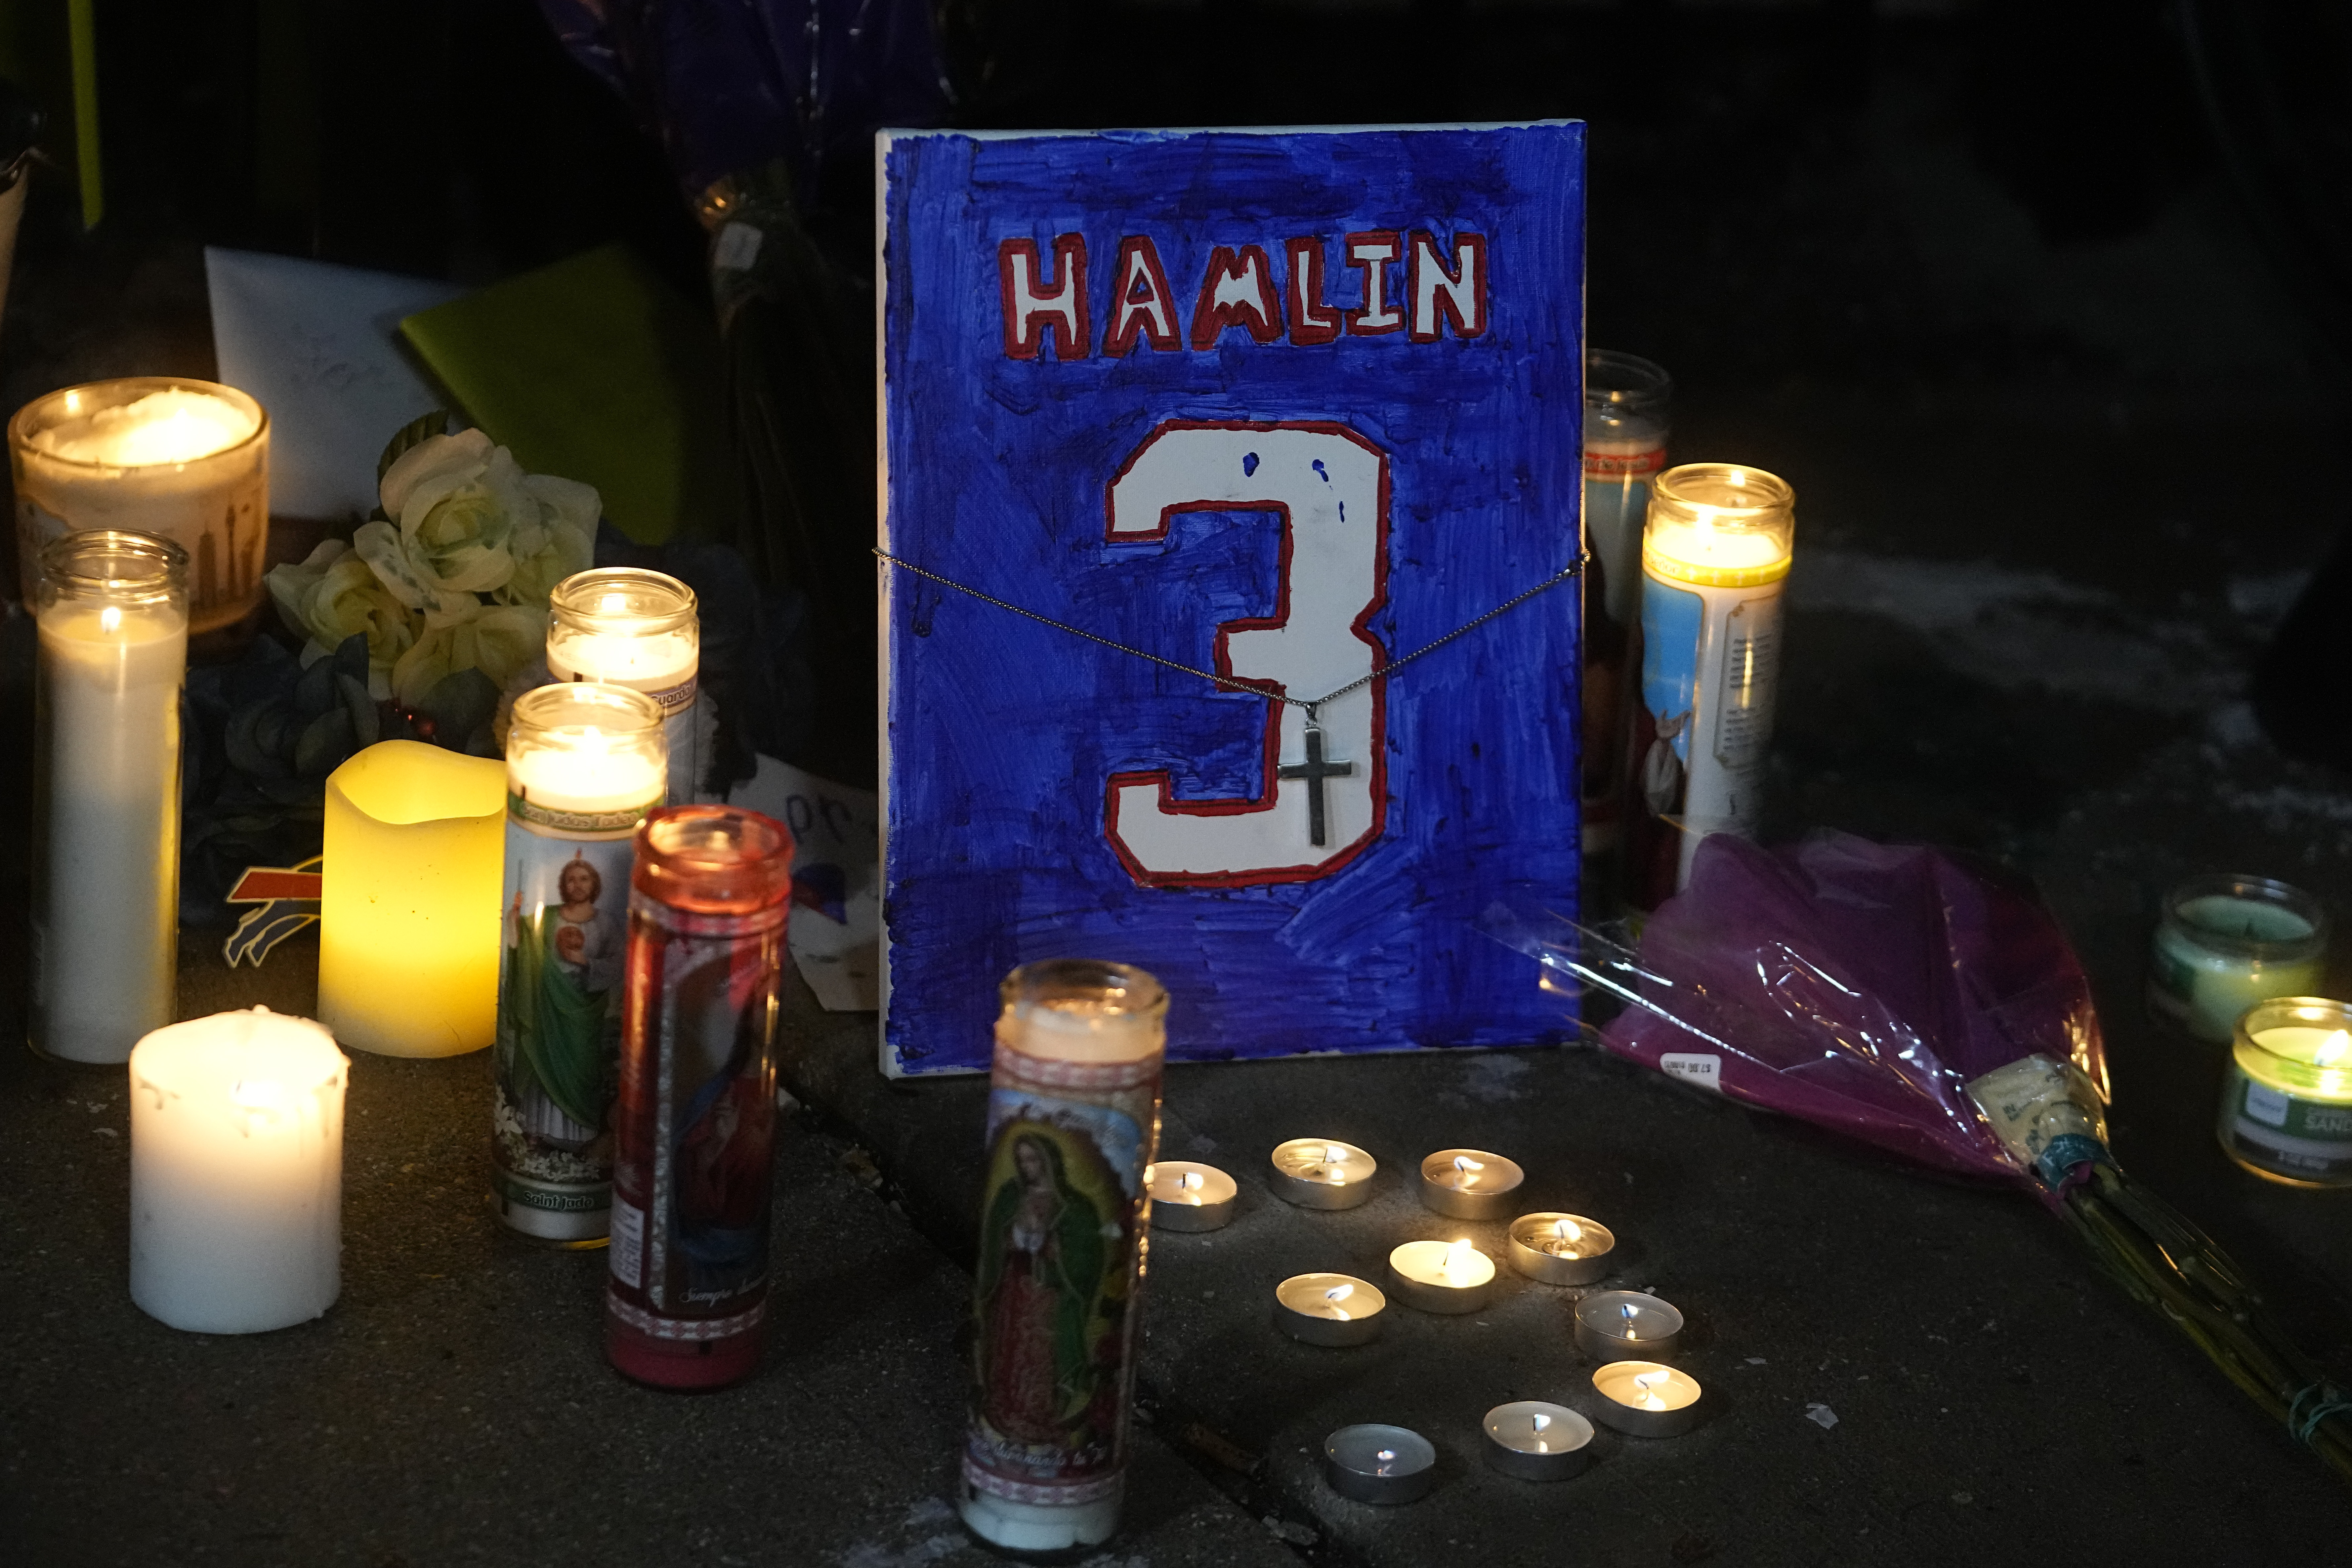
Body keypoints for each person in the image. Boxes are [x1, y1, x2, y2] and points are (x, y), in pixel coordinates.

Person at [973, 1132, 1108, 1447]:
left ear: (1049, 1161)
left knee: (1041, 1355)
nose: (1027, 1167)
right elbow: (996, 1241)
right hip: (1014, 1291)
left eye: (1032, 1159)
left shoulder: (1075, 1208)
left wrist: (1051, 1247)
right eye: (1021, 1160)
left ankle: (1039, 1416)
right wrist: (1017, 1235)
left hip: (1049, 1297)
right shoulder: (1011, 1196)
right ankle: (1004, 1411)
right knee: (1010, 1347)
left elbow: (1084, 1260)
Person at [499, 855, 619, 1149]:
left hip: (583, 1010)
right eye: (572, 879)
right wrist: (515, 917)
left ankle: (579, 1137)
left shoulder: (605, 923)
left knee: (581, 1067)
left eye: (584, 879)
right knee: (543, 1062)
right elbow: (524, 943)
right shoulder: (548, 915)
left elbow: (619, 965)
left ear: (595, 884)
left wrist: (586, 962)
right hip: (547, 1006)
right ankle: (538, 1130)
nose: (578, 885)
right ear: (564, 885)